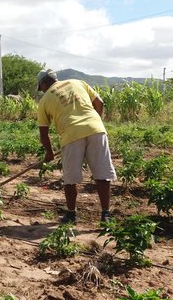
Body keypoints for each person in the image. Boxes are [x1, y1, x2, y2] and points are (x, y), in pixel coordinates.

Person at [37, 68, 117, 224]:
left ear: (44, 83)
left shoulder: (45, 100)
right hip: (97, 130)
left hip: (71, 135)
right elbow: (99, 102)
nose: (42, 91)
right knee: (102, 174)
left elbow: (43, 134)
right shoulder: (78, 82)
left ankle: (71, 214)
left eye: (41, 88)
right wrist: (93, 123)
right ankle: (106, 214)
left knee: (70, 178)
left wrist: (49, 153)